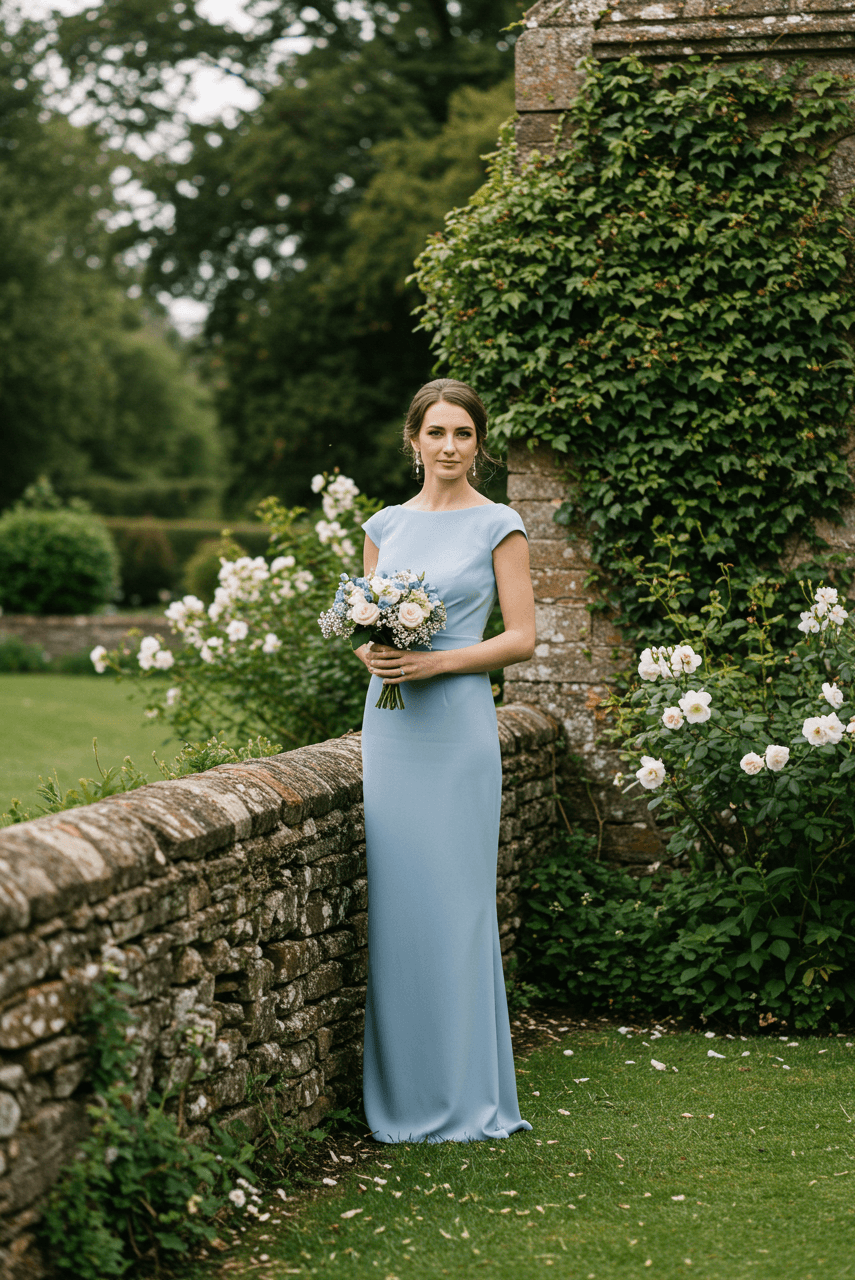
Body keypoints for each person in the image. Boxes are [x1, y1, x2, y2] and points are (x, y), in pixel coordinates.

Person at [355, 377, 536, 1143]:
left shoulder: (500, 523)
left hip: (458, 728)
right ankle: (405, 1091)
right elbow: (366, 620)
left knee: (457, 905)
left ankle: (467, 1095)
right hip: (391, 729)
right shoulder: (384, 525)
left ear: (478, 443)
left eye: (463, 433)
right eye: (437, 433)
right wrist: (373, 648)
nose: (450, 447)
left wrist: (439, 665)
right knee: (399, 908)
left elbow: (521, 637)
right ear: (413, 440)